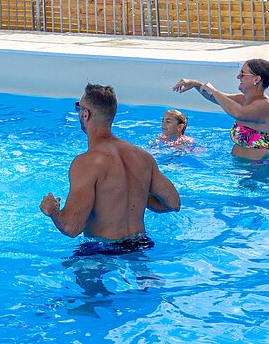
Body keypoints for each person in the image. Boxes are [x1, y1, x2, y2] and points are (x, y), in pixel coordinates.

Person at [39, 84, 181, 255]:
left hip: (101, 250)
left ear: (85, 114)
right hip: (141, 244)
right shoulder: (142, 156)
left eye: (78, 107)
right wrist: (139, 194)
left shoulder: (86, 163)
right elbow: (173, 203)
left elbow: (71, 227)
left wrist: (52, 210)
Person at [173, 58, 269, 160]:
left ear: (256, 79)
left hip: (261, 170)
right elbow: (216, 98)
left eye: (243, 73)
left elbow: (238, 113)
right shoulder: (243, 99)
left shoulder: (265, 106)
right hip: (241, 167)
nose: (238, 77)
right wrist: (196, 84)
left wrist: (214, 91)